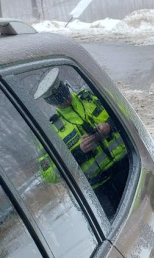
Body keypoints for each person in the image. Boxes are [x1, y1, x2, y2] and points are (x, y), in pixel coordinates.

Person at [34, 67, 129, 217]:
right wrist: (78, 153)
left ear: (66, 87)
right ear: (51, 103)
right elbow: (49, 175)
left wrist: (110, 125)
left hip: (130, 166)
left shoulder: (92, 98)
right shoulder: (51, 132)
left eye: (65, 94)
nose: (66, 100)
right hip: (102, 189)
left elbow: (126, 111)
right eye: (60, 99)